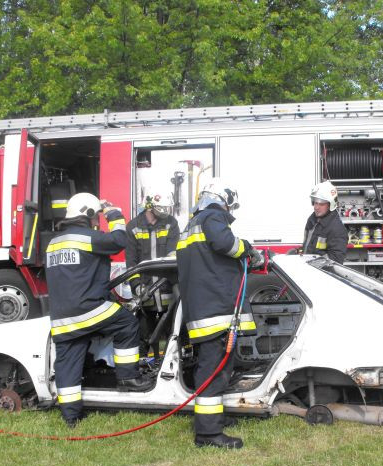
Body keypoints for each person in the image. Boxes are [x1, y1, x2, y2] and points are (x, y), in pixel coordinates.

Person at [45, 193, 154, 427]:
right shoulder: (86, 237)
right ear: (89, 215)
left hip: (61, 317)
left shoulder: (54, 243)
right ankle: (127, 377)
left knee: (68, 361)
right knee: (127, 324)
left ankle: (70, 416)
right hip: (88, 309)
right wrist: (113, 214)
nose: (97, 224)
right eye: (96, 219)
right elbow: (118, 241)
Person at [176, 180, 264, 449]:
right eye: (229, 204)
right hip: (215, 311)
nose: (228, 209)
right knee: (213, 372)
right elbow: (226, 244)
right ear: (221, 199)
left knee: (217, 370)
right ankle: (208, 434)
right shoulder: (212, 216)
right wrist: (247, 248)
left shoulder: (190, 226)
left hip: (203, 309)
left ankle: (213, 420)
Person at [125, 189, 180, 356]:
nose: (165, 212)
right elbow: (131, 263)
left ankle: (169, 365)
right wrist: (137, 286)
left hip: (167, 291)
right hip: (145, 293)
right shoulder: (134, 227)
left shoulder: (171, 223)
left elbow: (173, 257)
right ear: (149, 206)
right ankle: (145, 365)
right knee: (144, 336)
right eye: (161, 208)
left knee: (172, 335)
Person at [302, 181, 348, 264]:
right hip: (308, 270)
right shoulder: (312, 220)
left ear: (331, 204)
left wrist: (312, 263)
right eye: (315, 203)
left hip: (321, 274)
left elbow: (336, 261)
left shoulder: (337, 229)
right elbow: (308, 246)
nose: (316, 207)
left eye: (321, 204)